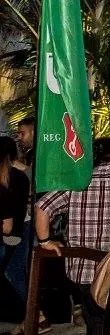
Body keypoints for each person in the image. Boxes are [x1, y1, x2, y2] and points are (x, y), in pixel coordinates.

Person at [32, 137, 110, 335]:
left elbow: (42, 207)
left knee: (95, 324)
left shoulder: (77, 181)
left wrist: (45, 241)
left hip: (84, 272)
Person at [0, 136, 30, 317]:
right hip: (20, 228)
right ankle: (31, 315)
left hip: (11, 231)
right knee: (15, 271)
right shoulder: (21, 175)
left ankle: (31, 314)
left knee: (13, 272)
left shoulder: (10, 177)